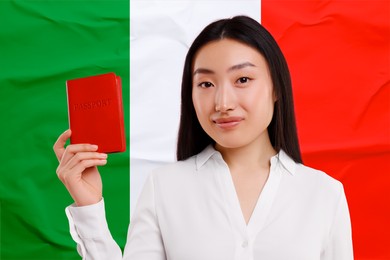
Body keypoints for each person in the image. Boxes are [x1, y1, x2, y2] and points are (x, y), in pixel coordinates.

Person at [54, 15, 353, 260]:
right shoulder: (165, 187)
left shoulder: (325, 195)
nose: (222, 102)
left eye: (243, 80)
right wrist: (89, 208)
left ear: (276, 88)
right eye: (206, 83)